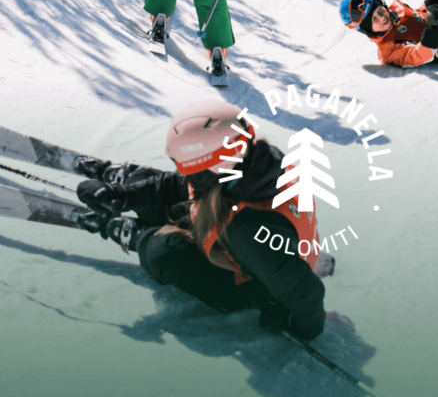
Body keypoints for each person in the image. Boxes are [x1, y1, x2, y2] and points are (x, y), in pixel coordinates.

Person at [76, 96, 330, 340]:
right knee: (158, 189)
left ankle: (139, 236)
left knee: (163, 254)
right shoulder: (247, 166)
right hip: (239, 246)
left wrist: (295, 324)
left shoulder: (250, 230)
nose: (186, 176)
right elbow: (175, 184)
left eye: (191, 170)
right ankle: (132, 180)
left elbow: (306, 292)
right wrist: (123, 195)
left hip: (249, 280)